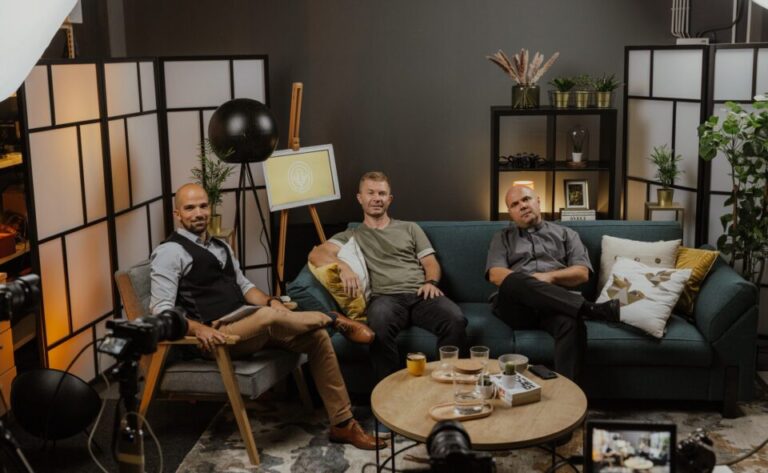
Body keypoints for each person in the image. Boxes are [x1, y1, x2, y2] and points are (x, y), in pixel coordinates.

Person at [149, 183, 385, 450]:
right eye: (190, 208)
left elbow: (245, 287)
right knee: (267, 317)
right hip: (216, 336)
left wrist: (271, 301)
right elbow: (161, 309)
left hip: (247, 324)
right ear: (177, 214)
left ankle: (343, 424)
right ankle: (331, 318)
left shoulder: (220, 246)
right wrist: (199, 329)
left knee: (316, 337)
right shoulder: (169, 252)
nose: (198, 213)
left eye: (203, 206)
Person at [309, 171, 468, 382]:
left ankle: (449, 385)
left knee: (455, 319)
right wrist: (343, 267)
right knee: (379, 324)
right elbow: (316, 254)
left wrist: (431, 282)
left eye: (382, 193)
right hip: (385, 298)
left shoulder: (409, 228)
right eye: (371, 193)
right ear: (360, 198)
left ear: (389, 199)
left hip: (421, 293)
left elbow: (430, 262)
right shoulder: (352, 235)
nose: (377, 198)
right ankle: (388, 391)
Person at [485, 185, 619, 382]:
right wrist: (529, 282)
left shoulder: (567, 234)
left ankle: (567, 394)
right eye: (515, 204)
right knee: (513, 279)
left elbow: (582, 273)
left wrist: (550, 277)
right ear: (510, 213)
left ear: (538, 201)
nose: (522, 206)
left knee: (571, 324)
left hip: (554, 306)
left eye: (526, 199)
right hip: (516, 308)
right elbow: (495, 274)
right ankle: (589, 309)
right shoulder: (502, 237)